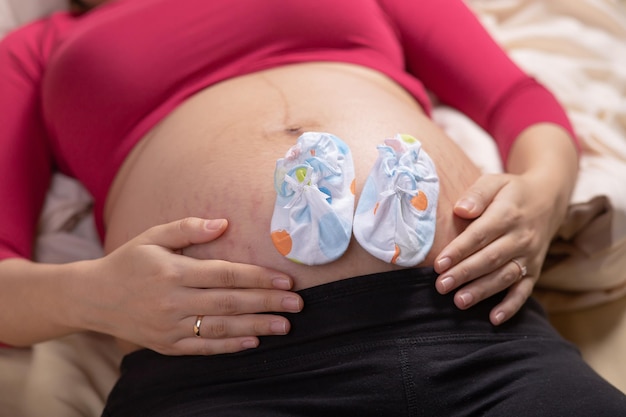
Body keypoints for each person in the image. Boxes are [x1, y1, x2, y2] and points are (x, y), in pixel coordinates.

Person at [1, 0, 624, 415]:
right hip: (221, 374)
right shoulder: (41, 45)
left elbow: (518, 100)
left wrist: (541, 195)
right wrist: (93, 296)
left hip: (472, 330)